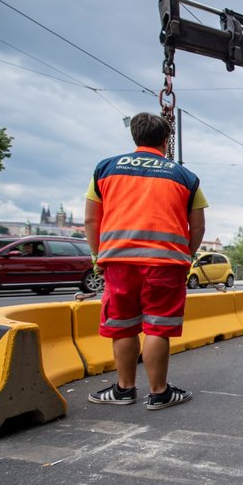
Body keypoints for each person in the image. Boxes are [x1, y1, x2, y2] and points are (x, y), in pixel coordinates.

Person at [84, 112, 206, 410]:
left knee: (123, 326)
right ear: (166, 141)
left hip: (119, 261)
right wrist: (185, 256)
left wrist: (96, 256)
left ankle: (124, 390)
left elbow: (90, 219)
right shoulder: (185, 176)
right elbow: (198, 226)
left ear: (135, 137)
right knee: (157, 327)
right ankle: (159, 392)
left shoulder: (105, 169)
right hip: (166, 262)